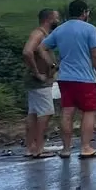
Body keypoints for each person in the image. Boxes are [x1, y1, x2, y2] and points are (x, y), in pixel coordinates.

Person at [41, 0, 96, 159]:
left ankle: (66, 149)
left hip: (65, 78)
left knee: (67, 112)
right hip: (85, 78)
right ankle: (85, 147)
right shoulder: (90, 29)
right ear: (84, 12)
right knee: (89, 112)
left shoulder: (60, 30)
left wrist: (53, 64)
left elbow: (42, 47)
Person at [21, 8, 61, 158]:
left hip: (38, 81)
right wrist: (37, 72)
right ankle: (38, 148)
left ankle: (31, 147)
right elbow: (27, 52)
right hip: (39, 82)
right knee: (46, 113)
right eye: (56, 18)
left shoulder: (44, 35)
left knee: (33, 113)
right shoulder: (38, 34)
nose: (58, 20)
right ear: (49, 19)